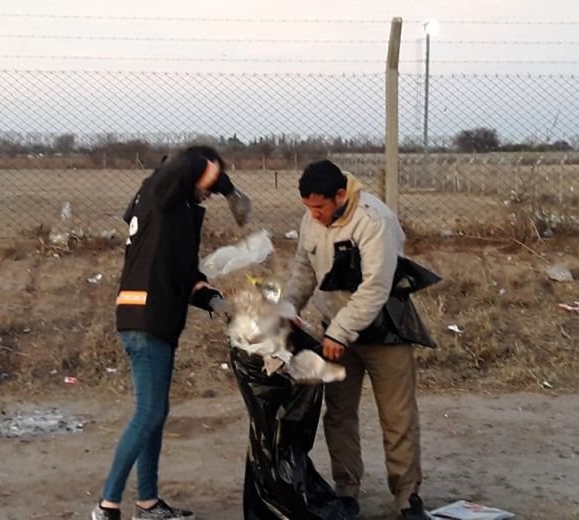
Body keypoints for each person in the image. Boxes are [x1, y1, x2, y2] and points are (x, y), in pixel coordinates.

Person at [91, 146, 250, 520]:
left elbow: (185, 275)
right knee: (148, 412)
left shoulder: (176, 215)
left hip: (155, 320)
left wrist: (217, 304)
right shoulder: (159, 196)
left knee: (155, 413)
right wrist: (225, 183)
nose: (208, 191)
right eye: (207, 182)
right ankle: (106, 505)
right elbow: (180, 164)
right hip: (147, 320)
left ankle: (147, 503)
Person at [282, 160, 434, 520]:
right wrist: (288, 307)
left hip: (385, 331)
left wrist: (340, 333)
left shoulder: (373, 220)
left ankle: (407, 496)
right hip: (336, 329)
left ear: (340, 195)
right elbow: (304, 269)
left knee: (397, 415)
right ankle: (346, 491)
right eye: (308, 208)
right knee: (338, 414)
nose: (314, 215)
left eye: (320, 207)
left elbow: (376, 286)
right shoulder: (311, 219)